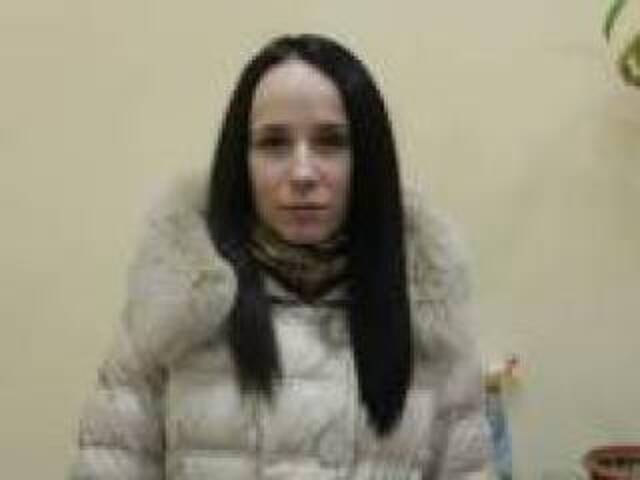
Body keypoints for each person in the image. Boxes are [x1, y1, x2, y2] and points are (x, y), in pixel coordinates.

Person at [70, 33, 492, 479]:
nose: (302, 172)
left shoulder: (428, 316)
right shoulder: (175, 309)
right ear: (242, 159)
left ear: (368, 157)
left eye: (331, 142)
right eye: (273, 143)